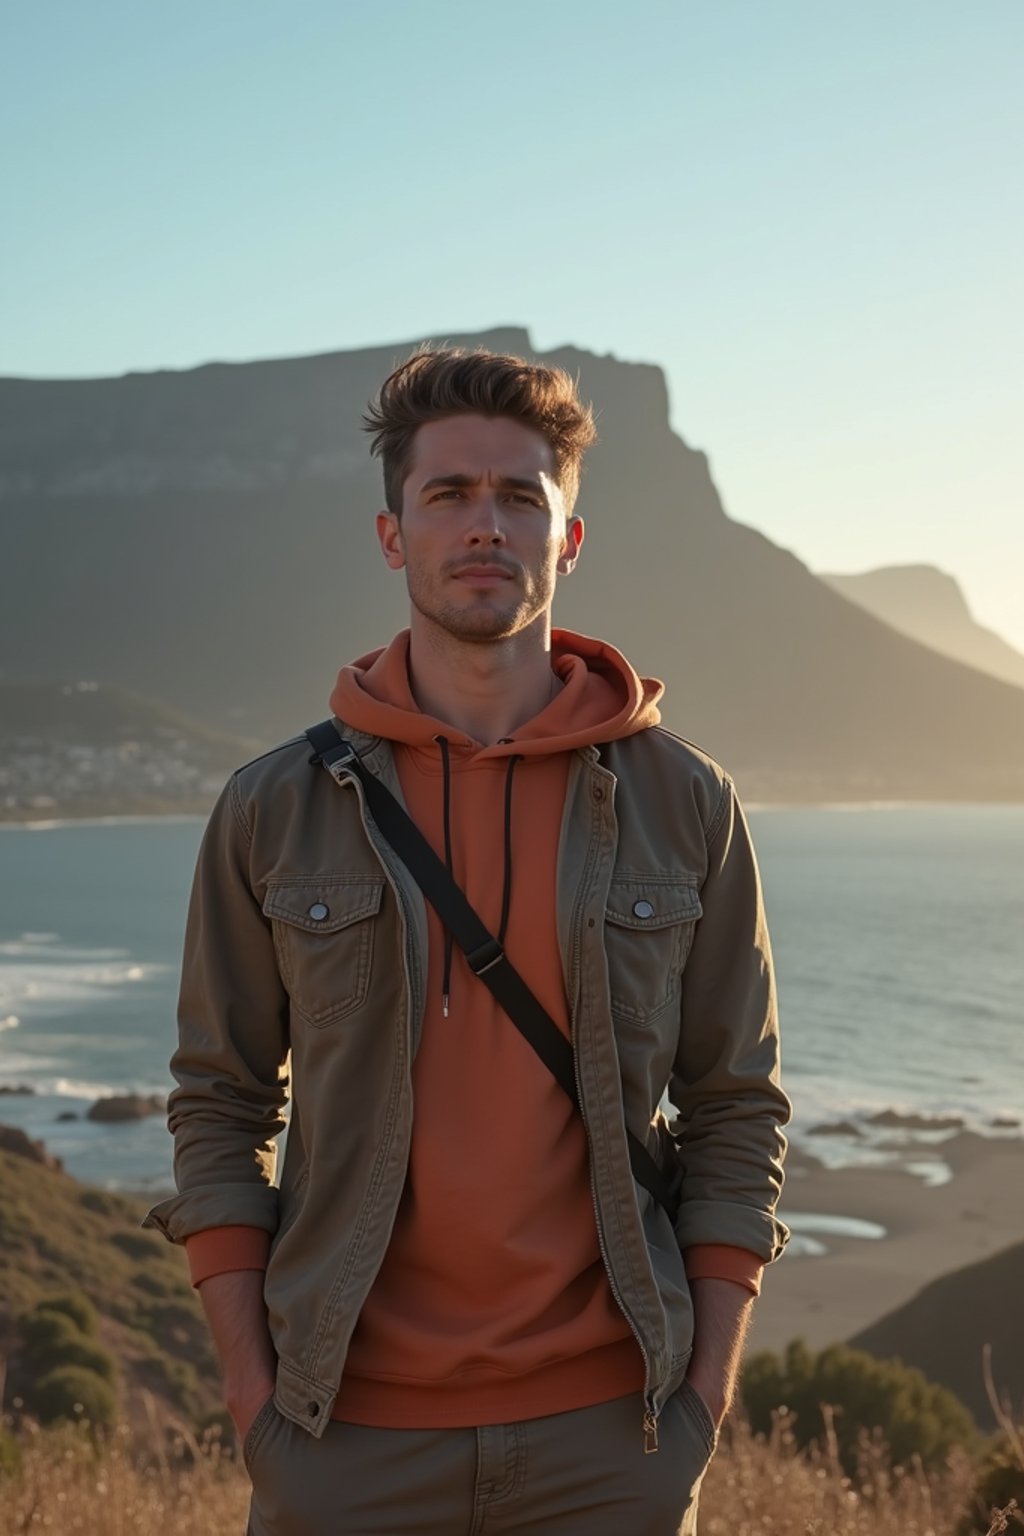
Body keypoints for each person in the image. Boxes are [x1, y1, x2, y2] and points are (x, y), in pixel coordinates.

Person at [143, 344, 791, 1535]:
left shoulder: (683, 802)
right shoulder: (275, 806)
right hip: (343, 1442)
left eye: (518, 497)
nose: (482, 525)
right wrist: (254, 1400)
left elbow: (735, 1106)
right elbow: (220, 1103)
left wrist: (698, 1403)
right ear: (392, 535)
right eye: (446, 494)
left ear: (568, 538)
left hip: (615, 1443)